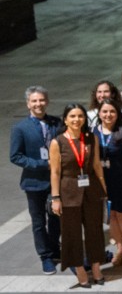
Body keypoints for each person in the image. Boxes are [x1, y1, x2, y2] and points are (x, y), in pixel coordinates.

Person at [49, 103, 107, 288]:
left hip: (91, 190)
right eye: (72, 116)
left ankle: (97, 268)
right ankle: (80, 269)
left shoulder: (91, 138)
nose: (77, 120)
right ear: (65, 119)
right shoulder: (57, 142)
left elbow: (97, 165)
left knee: (95, 231)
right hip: (68, 192)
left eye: (80, 116)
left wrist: (104, 191)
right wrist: (55, 198)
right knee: (71, 233)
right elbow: (55, 172)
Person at [10, 86, 62, 275]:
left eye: (41, 100)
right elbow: (15, 156)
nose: (38, 104)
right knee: (39, 221)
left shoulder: (57, 123)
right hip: (34, 182)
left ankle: (55, 248)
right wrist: (42, 164)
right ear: (28, 104)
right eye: (34, 101)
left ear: (47, 102)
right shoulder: (20, 128)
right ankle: (45, 256)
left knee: (57, 218)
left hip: (56, 181)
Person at [94, 98, 122, 266]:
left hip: (121, 179)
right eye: (105, 111)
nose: (108, 115)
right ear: (99, 113)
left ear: (118, 113)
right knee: (111, 216)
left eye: (112, 111)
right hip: (103, 181)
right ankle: (120, 247)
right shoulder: (95, 131)